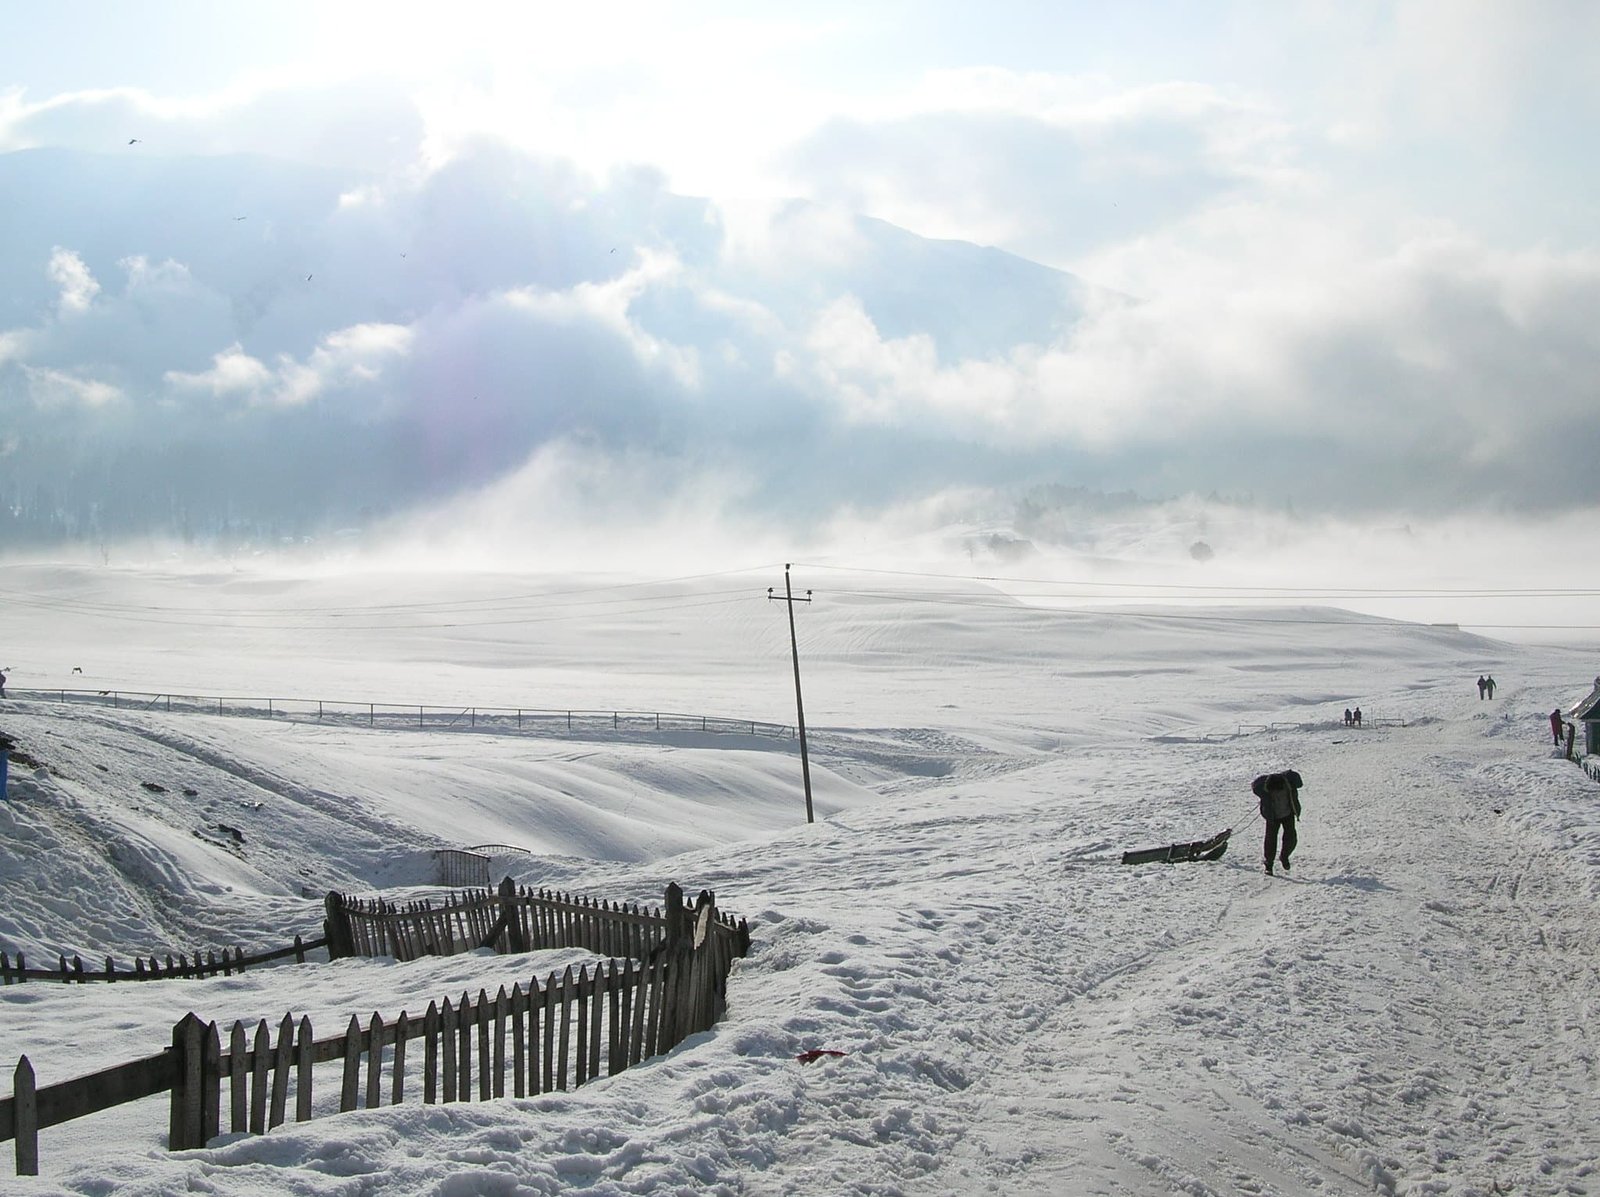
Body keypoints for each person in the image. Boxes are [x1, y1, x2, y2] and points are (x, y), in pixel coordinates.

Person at [1253, 770, 1304, 875]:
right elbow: (1255, 787)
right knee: (1270, 841)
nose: (1276, 794)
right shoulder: (1263, 787)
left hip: (1288, 815)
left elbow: (1300, 784)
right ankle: (1269, 865)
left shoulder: (1289, 782)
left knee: (1291, 838)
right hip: (1272, 817)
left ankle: (1284, 856)